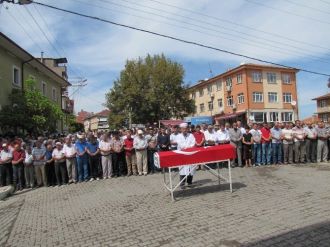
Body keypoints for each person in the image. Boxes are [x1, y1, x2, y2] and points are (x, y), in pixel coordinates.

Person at [177, 123, 196, 188]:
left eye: (186, 129)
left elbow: (193, 143)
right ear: (181, 129)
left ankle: (189, 182)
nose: (185, 130)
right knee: (182, 170)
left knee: (191, 169)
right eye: (183, 129)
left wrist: (188, 148)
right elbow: (181, 145)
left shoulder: (191, 135)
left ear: (187, 129)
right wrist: (187, 147)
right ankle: (182, 184)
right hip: (182, 155)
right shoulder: (178, 136)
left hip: (190, 155)